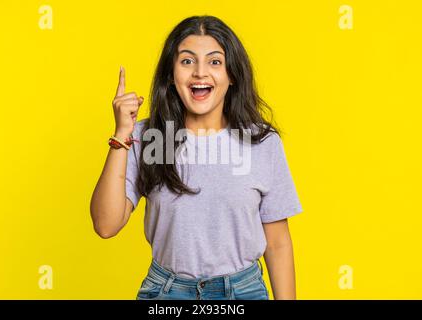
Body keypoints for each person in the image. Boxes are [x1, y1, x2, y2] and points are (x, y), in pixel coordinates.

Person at [90, 15, 303, 300]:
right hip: (167, 293)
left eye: (214, 62)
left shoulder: (261, 142)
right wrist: (121, 136)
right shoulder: (151, 137)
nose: (200, 72)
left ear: (232, 75)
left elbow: (277, 243)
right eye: (187, 61)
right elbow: (106, 225)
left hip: (243, 293)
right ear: (171, 75)